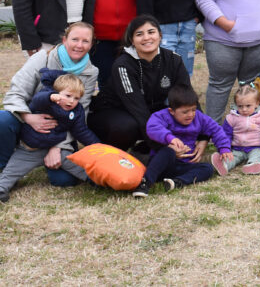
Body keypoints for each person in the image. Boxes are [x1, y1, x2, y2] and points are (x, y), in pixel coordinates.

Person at [0, 22, 98, 188]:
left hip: (60, 132)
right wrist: (28, 117)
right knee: (3, 120)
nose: (79, 45)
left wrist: (57, 146)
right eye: (75, 39)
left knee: (64, 180)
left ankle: (44, 155)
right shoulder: (42, 58)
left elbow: (81, 113)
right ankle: (5, 166)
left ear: (91, 44)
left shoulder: (91, 72)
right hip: (27, 123)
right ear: (65, 39)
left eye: (85, 41)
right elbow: (15, 93)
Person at [88, 15, 193, 152]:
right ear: (132, 40)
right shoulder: (123, 65)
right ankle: (116, 153)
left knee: (175, 118)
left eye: (151, 32)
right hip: (113, 112)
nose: (146, 38)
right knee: (127, 126)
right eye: (139, 34)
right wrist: (165, 148)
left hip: (146, 111)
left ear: (160, 35)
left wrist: (202, 137)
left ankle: (143, 151)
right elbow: (138, 109)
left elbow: (188, 99)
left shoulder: (173, 60)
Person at [0, 72, 98, 202]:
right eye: (68, 96)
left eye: (76, 98)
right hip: (31, 149)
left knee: (74, 163)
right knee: (13, 170)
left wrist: (98, 146)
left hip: (57, 148)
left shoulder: (76, 111)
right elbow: (37, 100)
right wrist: (50, 97)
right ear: (57, 93)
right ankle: (2, 188)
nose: (71, 101)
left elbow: (82, 132)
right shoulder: (46, 101)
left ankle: (95, 180)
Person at [132, 85, 231, 197]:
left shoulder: (199, 117)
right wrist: (170, 138)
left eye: (193, 109)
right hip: (160, 164)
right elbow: (152, 127)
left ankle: (177, 182)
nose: (191, 115)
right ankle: (145, 184)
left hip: (183, 165)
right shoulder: (162, 116)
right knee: (168, 152)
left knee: (207, 169)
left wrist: (224, 148)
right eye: (185, 112)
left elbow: (216, 129)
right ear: (172, 111)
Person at [214, 84, 260, 176]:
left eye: (248, 106)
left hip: (256, 147)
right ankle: (224, 166)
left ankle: (252, 165)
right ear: (236, 104)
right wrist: (225, 148)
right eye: (240, 106)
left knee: (257, 155)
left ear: (257, 103)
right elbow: (226, 134)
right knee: (231, 157)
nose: (244, 109)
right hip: (237, 148)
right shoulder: (232, 118)